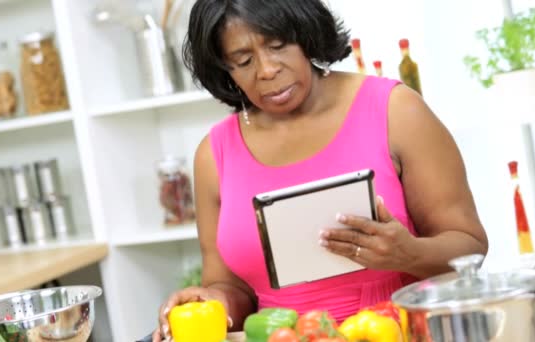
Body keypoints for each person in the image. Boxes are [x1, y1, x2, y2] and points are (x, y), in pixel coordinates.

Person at [152, 0, 488, 340]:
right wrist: (213, 300)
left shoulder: (394, 111)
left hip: (396, 331)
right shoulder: (214, 154)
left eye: (278, 45)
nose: (266, 70)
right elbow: (230, 287)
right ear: (225, 69)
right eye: (243, 61)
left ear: (306, 32)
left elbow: (469, 245)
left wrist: (409, 254)